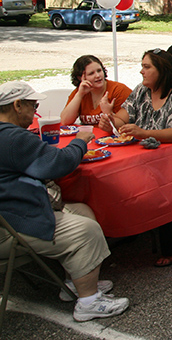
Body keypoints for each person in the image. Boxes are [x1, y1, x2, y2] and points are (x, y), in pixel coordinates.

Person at [0, 81, 130, 321]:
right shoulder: (11, 137)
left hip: (9, 213)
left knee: (81, 210)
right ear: (17, 105)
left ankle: (75, 281)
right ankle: (88, 302)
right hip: (10, 225)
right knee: (86, 230)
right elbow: (57, 164)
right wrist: (80, 141)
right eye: (33, 105)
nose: (35, 112)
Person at [99, 49, 172, 267]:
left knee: (163, 184)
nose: (141, 71)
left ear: (162, 70)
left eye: (147, 66)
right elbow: (123, 119)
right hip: (147, 159)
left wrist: (145, 133)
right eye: (142, 66)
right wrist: (110, 119)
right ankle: (127, 228)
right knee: (114, 176)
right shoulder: (141, 91)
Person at [61, 55, 132, 126]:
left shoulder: (119, 90)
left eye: (99, 70)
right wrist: (79, 95)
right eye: (91, 73)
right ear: (80, 78)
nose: (98, 75)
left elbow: (129, 122)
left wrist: (108, 113)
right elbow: (64, 121)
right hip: (89, 135)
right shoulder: (80, 92)